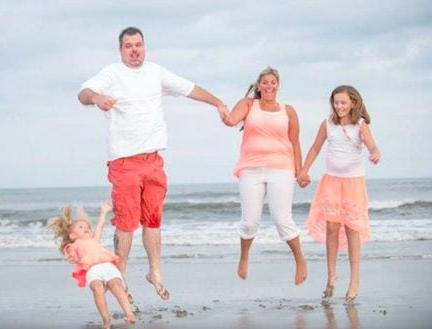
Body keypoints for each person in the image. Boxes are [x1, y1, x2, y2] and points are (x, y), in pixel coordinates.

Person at [77, 26, 228, 301]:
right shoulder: (111, 74)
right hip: (124, 162)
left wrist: (216, 102)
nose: (134, 50)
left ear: (144, 46)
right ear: (120, 49)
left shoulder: (156, 73)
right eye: (128, 46)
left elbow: (188, 88)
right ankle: (118, 277)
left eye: (138, 45)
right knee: (125, 224)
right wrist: (97, 98)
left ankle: (154, 272)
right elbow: (83, 93)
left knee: (153, 221)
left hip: (154, 161)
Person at [223, 66, 307, 285]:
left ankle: (300, 261)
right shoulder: (249, 105)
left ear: (278, 85)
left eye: (273, 82)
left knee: (282, 220)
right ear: (258, 86)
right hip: (250, 168)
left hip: (281, 168)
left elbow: (295, 142)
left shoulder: (288, 111)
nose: (269, 86)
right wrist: (223, 113)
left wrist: (300, 171)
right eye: (265, 82)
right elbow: (232, 120)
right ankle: (244, 258)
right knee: (250, 221)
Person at [297, 85, 380, 304]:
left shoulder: (360, 125)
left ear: (353, 102)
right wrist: (304, 170)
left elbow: (371, 144)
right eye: (336, 102)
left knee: (353, 230)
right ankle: (331, 277)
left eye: (343, 102)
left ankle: (354, 281)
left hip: (353, 183)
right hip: (331, 181)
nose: (339, 106)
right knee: (332, 228)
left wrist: (374, 152)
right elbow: (315, 147)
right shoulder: (328, 124)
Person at [48, 202, 136, 329]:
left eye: (87, 227)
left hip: (107, 266)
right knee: (97, 289)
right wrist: (71, 255)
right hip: (93, 269)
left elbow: (99, 227)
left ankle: (129, 314)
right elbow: (70, 255)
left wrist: (104, 212)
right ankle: (106, 321)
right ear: (72, 235)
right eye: (81, 227)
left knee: (116, 286)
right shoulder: (74, 244)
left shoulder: (94, 240)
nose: (86, 228)